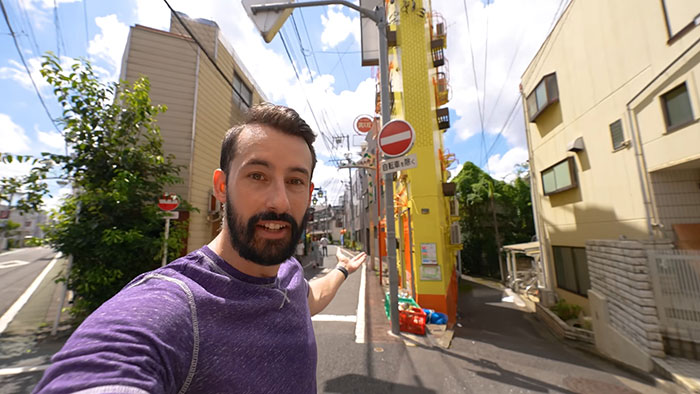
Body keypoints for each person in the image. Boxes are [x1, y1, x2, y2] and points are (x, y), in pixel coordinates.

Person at [34, 103, 367, 394]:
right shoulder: (178, 304)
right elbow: (108, 363)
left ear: (308, 194)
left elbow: (312, 297)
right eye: (257, 175)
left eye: (294, 181)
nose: (279, 201)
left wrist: (341, 269)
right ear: (222, 187)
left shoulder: (289, 273)